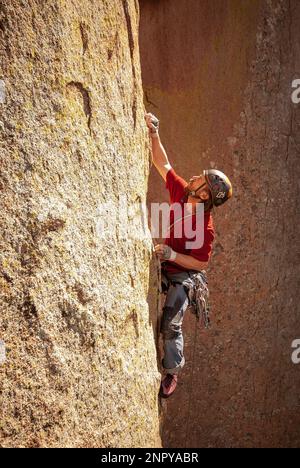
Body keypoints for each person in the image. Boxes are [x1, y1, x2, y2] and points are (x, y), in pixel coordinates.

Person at [144, 112, 233, 398]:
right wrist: (155, 133)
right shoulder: (183, 193)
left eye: (201, 180)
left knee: (170, 319)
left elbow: (201, 263)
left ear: (205, 195)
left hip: (185, 274)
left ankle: (171, 371)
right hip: (166, 263)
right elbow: (163, 163)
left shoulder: (205, 227)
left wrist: (170, 253)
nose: (195, 177)